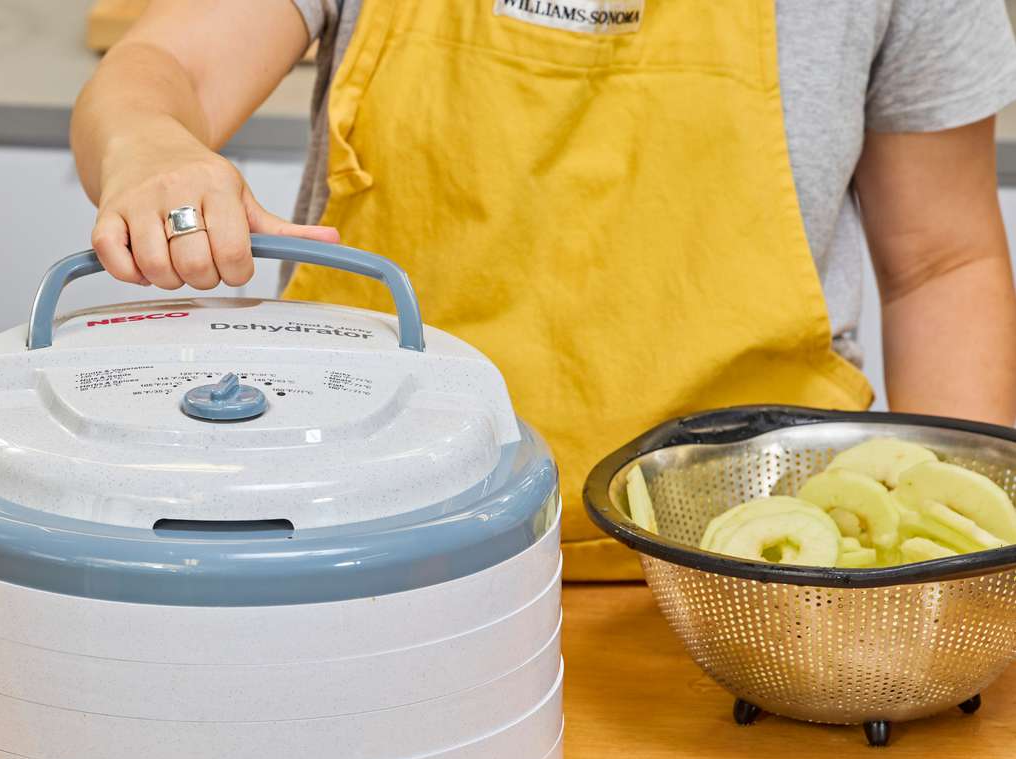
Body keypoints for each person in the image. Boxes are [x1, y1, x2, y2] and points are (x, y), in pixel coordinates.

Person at [71, 0, 1016, 578]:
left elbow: (941, 263)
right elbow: (166, 70)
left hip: (760, 584)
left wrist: (967, 560)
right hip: (365, 561)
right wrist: (146, 142)